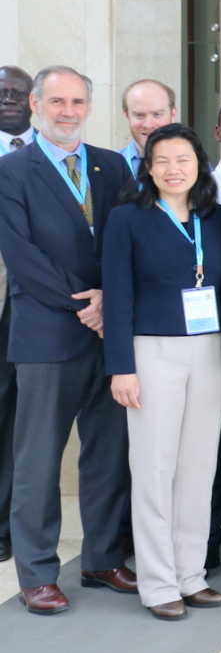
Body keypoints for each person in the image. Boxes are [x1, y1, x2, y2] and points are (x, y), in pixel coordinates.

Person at [0, 66, 137, 614]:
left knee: (108, 454)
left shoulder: (109, 167)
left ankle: (102, 558)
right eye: (56, 100)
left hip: (109, 335)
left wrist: (109, 296)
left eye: (78, 100)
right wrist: (86, 303)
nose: (68, 111)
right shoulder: (12, 170)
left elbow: (127, 238)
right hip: (47, 334)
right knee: (38, 460)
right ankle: (36, 572)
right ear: (36, 104)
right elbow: (21, 255)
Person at [102, 123, 221, 620]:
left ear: (198, 163)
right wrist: (122, 368)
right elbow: (116, 298)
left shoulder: (219, 218)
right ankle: (158, 584)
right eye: (162, 160)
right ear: (148, 168)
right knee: (155, 470)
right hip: (150, 352)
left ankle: (190, 575)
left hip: (210, 351)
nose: (173, 169)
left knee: (200, 468)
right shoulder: (126, 220)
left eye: (183, 159)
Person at [0, 64, 31, 564]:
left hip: (39, 306)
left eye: (17, 92)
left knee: (20, 420)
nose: (7, 98)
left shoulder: (60, 156)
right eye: (1, 92)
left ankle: (8, 524)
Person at [117, 79, 177, 175]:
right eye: (139, 115)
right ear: (126, 115)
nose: (148, 125)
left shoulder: (194, 166)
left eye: (157, 114)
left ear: (173, 114)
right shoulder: (109, 166)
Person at [0, 65, 35, 157]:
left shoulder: (53, 146)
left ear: (33, 100)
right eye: (0, 93)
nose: (9, 100)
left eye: (19, 93)